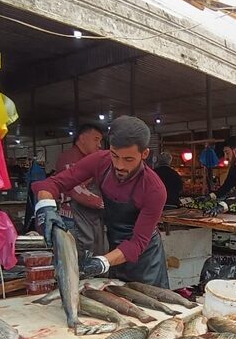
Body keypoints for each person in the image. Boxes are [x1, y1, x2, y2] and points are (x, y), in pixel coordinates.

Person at [32, 116, 169, 287]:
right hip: (114, 249)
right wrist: (46, 207)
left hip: (146, 259)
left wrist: (101, 263)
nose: (119, 165)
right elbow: (54, 183)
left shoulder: (154, 189)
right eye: (115, 155)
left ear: (144, 154)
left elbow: (136, 244)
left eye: (128, 159)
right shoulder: (100, 161)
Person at [56, 123, 106, 257]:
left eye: (100, 141)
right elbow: (75, 190)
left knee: (92, 257)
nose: (99, 145)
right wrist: (105, 204)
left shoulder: (88, 159)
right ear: (82, 138)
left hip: (88, 220)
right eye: (96, 139)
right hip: (73, 220)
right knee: (80, 261)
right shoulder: (70, 158)